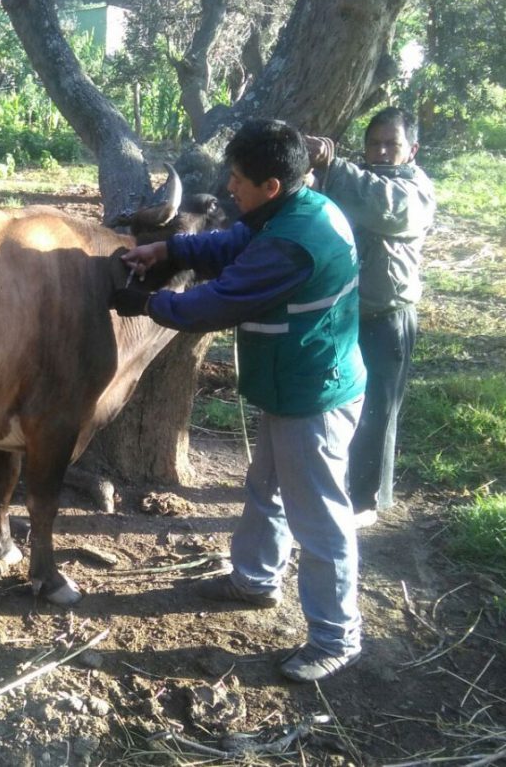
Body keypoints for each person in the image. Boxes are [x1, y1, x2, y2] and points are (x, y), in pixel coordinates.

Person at [110, 118, 366, 682]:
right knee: (267, 488)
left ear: (271, 186)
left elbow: (219, 304)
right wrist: (169, 250)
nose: (230, 188)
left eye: (238, 180)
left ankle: (335, 636)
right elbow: (234, 243)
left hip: (313, 395)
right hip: (292, 383)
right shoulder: (294, 211)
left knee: (320, 518)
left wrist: (147, 306)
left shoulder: (294, 243)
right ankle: (254, 579)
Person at [305, 108, 437, 529]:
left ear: (411, 150)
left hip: (389, 316)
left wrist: (333, 166)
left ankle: (364, 499)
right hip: (345, 315)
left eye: (391, 144)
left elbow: (384, 207)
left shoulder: (413, 190)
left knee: (378, 410)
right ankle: (328, 480)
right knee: (334, 400)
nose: (381, 150)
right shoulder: (356, 178)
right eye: (374, 142)